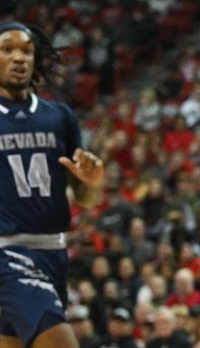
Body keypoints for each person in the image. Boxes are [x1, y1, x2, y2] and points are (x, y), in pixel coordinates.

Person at [0, 22, 105, 348]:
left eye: (27, 51)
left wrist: (91, 184)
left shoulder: (60, 116)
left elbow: (84, 199)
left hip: (54, 253)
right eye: (7, 50)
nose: (19, 58)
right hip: (7, 253)